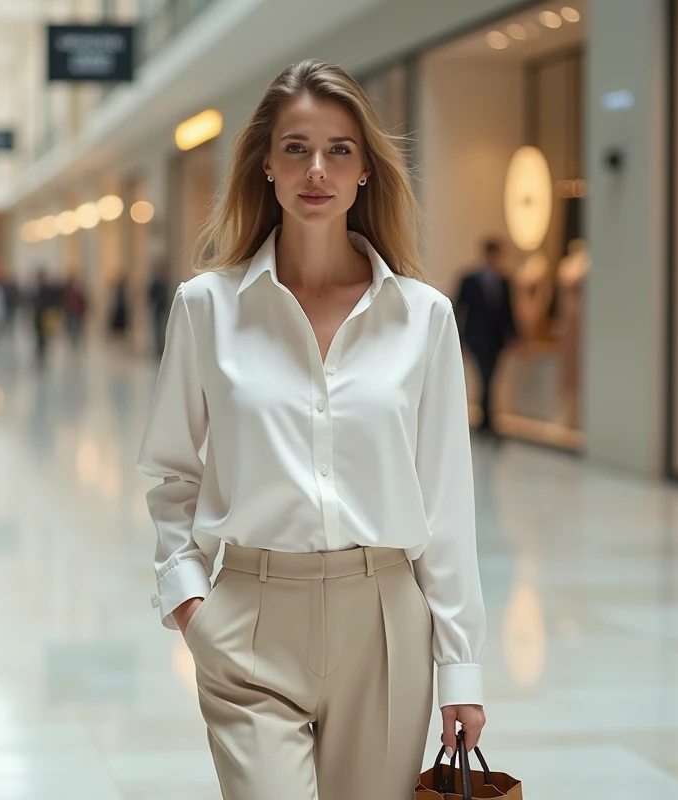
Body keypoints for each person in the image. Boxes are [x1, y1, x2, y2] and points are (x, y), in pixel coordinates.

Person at [136, 59, 487, 800]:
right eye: (296, 148)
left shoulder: (423, 317)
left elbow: (447, 504)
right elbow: (172, 472)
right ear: (266, 164)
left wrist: (461, 668)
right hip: (248, 619)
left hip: (386, 624)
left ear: (366, 170)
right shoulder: (206, 308)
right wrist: (191, 605)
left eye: (339, 150)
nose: (317, 169)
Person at [455, 238, 518, 439]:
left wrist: (514, 335)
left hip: (496, 339)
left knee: (491, 378)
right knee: (485, 376)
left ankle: (487, 421)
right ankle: (487, 421)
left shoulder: (504, 281)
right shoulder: (469, 280)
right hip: (476, 337)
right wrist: (459, 338)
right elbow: (459, 308)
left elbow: (508, 311)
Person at [62, 275, 88, 349]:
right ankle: (73, 341)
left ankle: (75, 341)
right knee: (73, 327)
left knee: (75, 327)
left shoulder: (76, 291)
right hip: (71, 312)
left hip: (75, 312)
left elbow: (83, 302)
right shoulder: (68, 291)